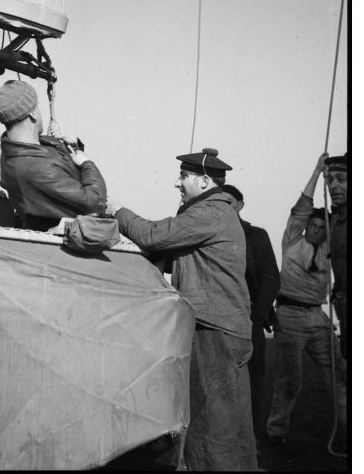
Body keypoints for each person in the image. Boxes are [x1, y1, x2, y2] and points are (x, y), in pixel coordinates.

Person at [106, 148, 257, 471]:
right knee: (228, 423)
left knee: (211, 425)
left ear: (204, 181)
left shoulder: (210, 213)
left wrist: (116, 210)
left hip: (213, 329)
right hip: (222, 326)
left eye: (184, 177)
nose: (178, 183)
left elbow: (153, 236)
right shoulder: (215, 212)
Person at [266, 153, 346, 447]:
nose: (314, 230)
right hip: (289, 316)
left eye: (320, 227)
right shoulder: (292, 239)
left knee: (341, 373)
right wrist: (316, 171)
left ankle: (349, 431)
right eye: (310, 226)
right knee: (290, 380)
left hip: (317, 316)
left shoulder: (329, 245)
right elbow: (301, 208)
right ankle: (276, 432)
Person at [0, 80, 107, 231]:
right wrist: (87, 163)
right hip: (73, 241)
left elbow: (66, 171)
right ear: (33, 113)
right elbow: (95, 203)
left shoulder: (27, 148)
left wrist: (74, 144)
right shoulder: (35, 167)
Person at [220, 184, 280, 448]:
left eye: (230, 203)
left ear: (241, 205)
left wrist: (255, 317)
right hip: (219, 320)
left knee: (253, 380)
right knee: (219, 381)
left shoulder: (256, 236)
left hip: (249, 320)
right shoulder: (214, 234)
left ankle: (255, 439)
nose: (225, 209)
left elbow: (271, 280)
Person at [324, 153, 348, 359]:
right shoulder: (334, 220)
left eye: (342, 179)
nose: (333, 186)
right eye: (329, 180)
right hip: (343, 303)